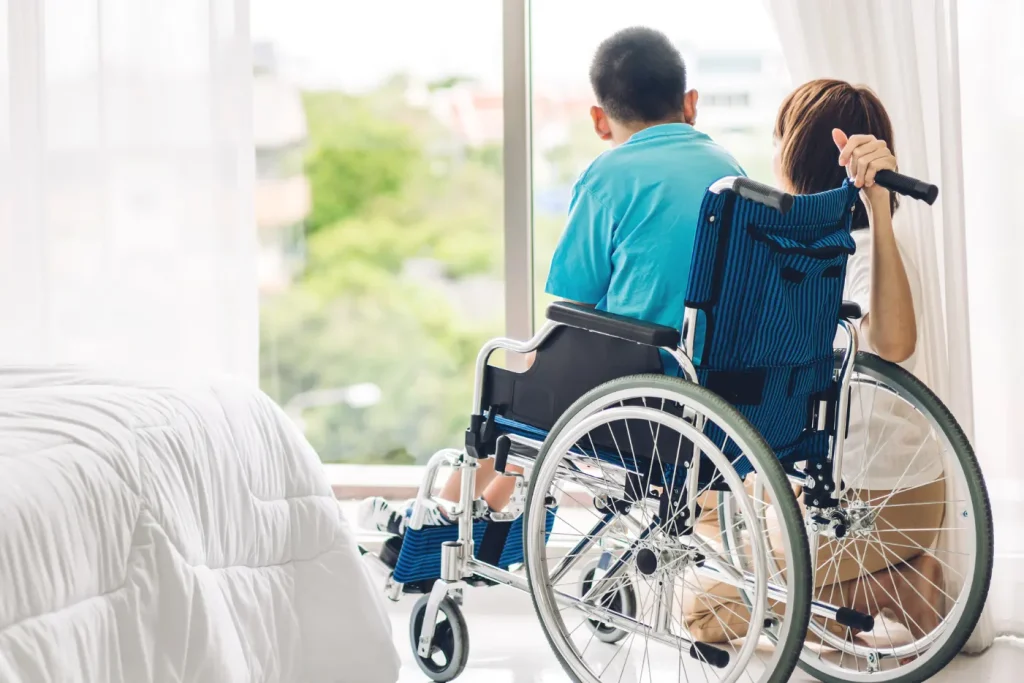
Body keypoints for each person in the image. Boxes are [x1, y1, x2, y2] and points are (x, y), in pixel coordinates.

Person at [357, 26, 744, 535]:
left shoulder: (609, 176)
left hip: (636, 391)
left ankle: (434, 526)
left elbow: (571, 303)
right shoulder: (730, 171)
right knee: (538, 396)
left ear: (599, 120)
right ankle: (487, 509)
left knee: (514, 390)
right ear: (690, 103)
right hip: (718, 393)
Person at [683, 79, 946, 646]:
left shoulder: (863, 250)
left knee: (699, 611)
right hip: (916, 490)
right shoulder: (881, 243)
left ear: (793, 152)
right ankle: (858, 585)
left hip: (864, 502)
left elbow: (894, 345)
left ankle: (880, 591)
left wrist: (874, 201)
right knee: (714, 496)